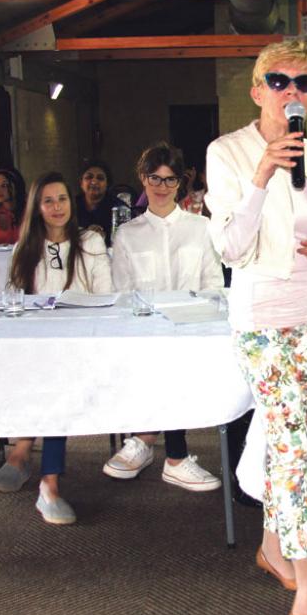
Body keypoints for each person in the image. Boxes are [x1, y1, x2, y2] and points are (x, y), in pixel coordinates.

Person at [205, 40, 307, 615]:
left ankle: (270, 545)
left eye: (304, 83)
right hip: (260, 316)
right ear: (258, 89)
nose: (292, 92)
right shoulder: (227, 152)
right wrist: (260, 174)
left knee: (289, 435)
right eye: (279, 81)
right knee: (289, 444)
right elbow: (231, 249)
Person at [0, 171, 113, 524]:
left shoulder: (90, 241)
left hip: (82, 342)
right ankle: (26, 455)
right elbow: (13, 300)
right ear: (37, 207)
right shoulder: (25, 248)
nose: (57, 207)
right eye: (48, 201)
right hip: (39, 344)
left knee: (57, 378)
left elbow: (106, 296)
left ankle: (44, 476)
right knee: (37, 369)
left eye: (62, 199)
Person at [102, 142, 223, 492]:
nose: (161, 186)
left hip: (192, 331)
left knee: (176, 358)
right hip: (146, 335)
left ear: (180, 183)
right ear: (143, 178)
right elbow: (122, 294)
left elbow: (213, 285)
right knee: (159, 357)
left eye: (170, 180)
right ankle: (173, 455)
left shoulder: (201, 228)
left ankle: (147, 440)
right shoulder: (128, 234)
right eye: (154, 178)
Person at [75, 160, 129, 246]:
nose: (94, 181)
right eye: (89, 177)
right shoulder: (72, 205)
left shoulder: (118, 207)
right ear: (81, 183)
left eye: (100, 178)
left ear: (107, 184)